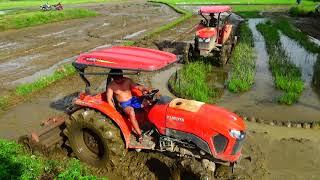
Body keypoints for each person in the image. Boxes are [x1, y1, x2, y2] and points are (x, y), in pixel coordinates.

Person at [106, 69, 151, 141]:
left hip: (133, 100)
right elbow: (109, 99)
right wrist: (114, 112)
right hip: (124, 104)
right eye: (117, 80)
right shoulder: (111, 86)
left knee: (149, 103)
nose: (119, 80)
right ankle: (139, 134)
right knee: (131, 112)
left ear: (122, 76)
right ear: (113, 78)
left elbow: (138, 87)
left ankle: (150, 124)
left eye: (121, 78)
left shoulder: (127, 80)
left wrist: (145, 89)